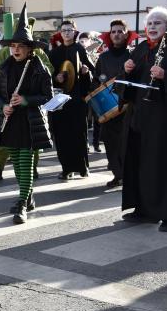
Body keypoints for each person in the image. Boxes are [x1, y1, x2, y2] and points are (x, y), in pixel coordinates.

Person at [121, 6, 167, 232]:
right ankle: (144, 209)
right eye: (150, 23)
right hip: (141, 118)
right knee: (141, 164)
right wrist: (127, 70)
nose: (153, 26)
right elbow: (129, 84)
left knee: (166, 166)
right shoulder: (140, 48)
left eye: (158, 23)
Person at [0, 3, 53, 224]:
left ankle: (21, 204)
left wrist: (26, 100)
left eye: (20, 46)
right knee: (17, 163)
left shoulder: (39, 68)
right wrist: (2, 106)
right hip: (9, 120)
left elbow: (48, 96)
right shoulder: (5, 68)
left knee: (26, 162)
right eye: (13, 46)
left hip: (29, 121)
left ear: (30, 48)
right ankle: (28, 197)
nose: (16, 49)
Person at [48, 19, 94, 180]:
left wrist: (85, 72)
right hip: (60, 100)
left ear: (75, 32)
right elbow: (49, 76)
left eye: (69, 30)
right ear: (60, 33)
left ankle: (83, 167)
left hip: (77, 99)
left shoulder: (80, 49)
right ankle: (66, 168)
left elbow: (92, 72)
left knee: (79, 134)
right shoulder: (54, 53)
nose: (66, 32)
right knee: (61, 135)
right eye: (64, 30)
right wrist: (56, 78)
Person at [94, 19, 135, 188]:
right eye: (113, 32)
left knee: (126, 144)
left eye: (120, 31)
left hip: (127, 107)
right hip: (109, 108)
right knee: (110, 144)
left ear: (126, 34)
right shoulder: (103, 57)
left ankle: (127, 176)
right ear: (110, 35)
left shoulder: (133, 55)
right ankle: (118, 175)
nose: (116, 34)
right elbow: (96, 79)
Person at [78, 31, 102, 153]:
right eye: (80, 42)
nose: (82, 44)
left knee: (97, 118)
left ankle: (96, 143)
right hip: (84, 90)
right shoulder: (78, 55)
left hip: (96, 89)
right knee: (85, 119)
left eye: (84, 41)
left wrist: (92, 36)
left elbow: (100, 41)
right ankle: (86, 143)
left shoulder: (94, 54)